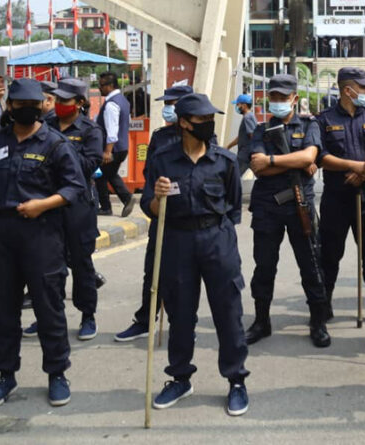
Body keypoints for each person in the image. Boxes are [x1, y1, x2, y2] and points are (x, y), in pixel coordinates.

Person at [0, 78, 86, 409]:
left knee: (49, 309)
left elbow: (74, 188)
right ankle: (6, 376)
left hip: (41, 236)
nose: (28, 111)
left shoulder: (55, 144)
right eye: (21, 106)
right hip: (2, 237)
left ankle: (57, 374)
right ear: (10, 107)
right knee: (5, 313)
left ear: (41, 107)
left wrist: (44, 204)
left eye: (34, 106)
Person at [143, 93, 251, 416]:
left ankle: (236, 380)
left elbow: (232, 207)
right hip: (177, 239)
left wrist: (219, 237)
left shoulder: (224, 161)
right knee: (180, 312)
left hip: (216, 239)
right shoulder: (162, 159)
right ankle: (180, 377)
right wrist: (159, 198)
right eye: (202, 120)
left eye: (210, 119)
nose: (209, 125)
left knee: (228, 311)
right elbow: (150, 208)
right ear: (184, 124)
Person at [243, 74, 330, 348]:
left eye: (284, 97)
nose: (278, 102)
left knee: (311, 265)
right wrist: (295, 162)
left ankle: (318, 322)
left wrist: (273, 159)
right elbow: (257, 167)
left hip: (299, 205)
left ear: (294, 98)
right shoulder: (260, 129)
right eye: (274, 97)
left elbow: (308, 157)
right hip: (268, 206)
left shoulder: (309, 125)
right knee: (264, 266)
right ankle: (261, 321)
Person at [112, 84, 199, 343]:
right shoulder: (160, 137)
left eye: (173, 103)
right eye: (167, 104)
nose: (168, 108)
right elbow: (150, 174)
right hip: (161, 214)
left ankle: (183, 323)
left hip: (189, 217)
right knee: (153, 271)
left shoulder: (201, 135)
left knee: (185, 275)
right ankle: (146, 320)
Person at [22, 78, 104, 341]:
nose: (59, 105)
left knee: (81, 264)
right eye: (56, 100)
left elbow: (88, 166)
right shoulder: (45, 125)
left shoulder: (91, 131)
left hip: (78, 207)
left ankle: (87, 315)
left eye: (65, 101)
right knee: (47, 265)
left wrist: (59, 146)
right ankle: (47, 316)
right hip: (49, 205)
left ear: (80, 103)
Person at [315, 67, 365, 326]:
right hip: (336, 198)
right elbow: (321, 157)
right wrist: (353, 166)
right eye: (364, 88)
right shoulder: (324, 119)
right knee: (330, 253)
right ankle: (324, 303)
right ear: (348, 90)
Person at [95, 71, 136, 217]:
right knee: (108, 174)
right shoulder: (123, 100)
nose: (100, 88)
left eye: (102, 85)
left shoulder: (111, 104)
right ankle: (115, 203)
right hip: (122, 147)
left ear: (110, 86)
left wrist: (107, 151)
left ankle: (113, 204)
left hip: (113, 148)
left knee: (101, 175)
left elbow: (112, 130)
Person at [226, 93, 257, 175]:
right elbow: (241, 137)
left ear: (244, 105)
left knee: (233, 177)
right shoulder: (249, 116)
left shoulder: (248, 117)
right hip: (246, 154)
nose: (237, 107)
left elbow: (252, 135)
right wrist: (228, 146)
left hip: (245, 155)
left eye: (238, 104)